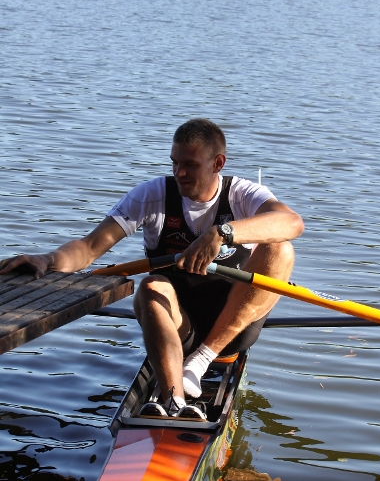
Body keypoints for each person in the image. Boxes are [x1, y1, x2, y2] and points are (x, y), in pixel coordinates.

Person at [0, 119, 304, 419]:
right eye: (174, 163)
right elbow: (90, 248)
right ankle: (173, 401)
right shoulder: (151, 195)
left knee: (280, 249)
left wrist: (222, 233)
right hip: (179, 323)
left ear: (218, 163)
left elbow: (292, 223)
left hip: (234, 328)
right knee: (150, 285)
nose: (179, 173)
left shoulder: (242, 194)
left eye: (190, 165)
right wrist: (48, 259)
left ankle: (201, 360)